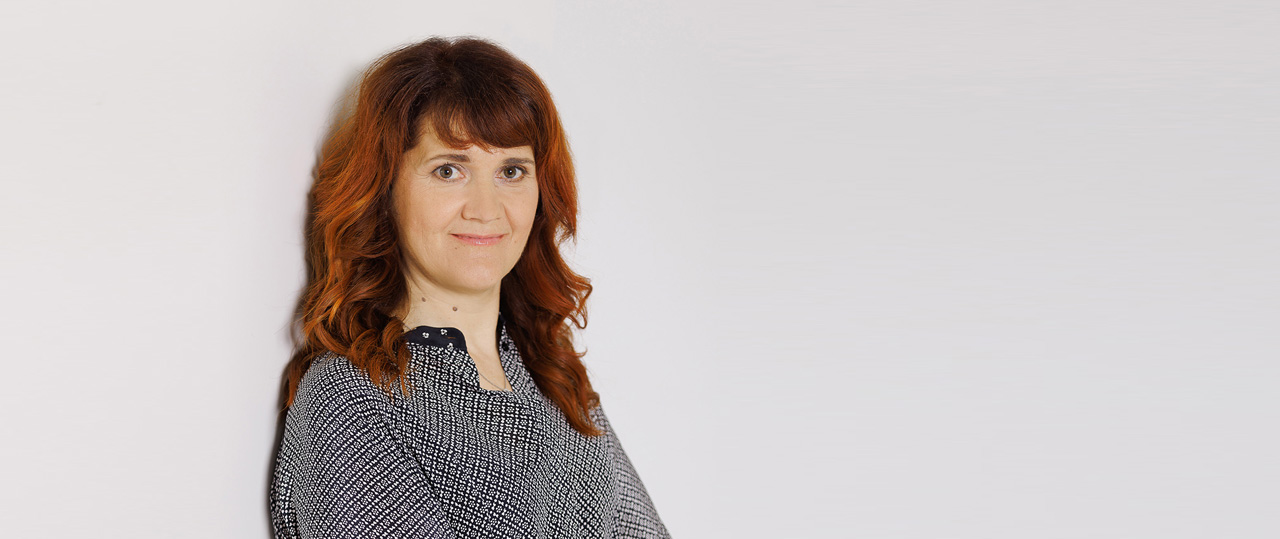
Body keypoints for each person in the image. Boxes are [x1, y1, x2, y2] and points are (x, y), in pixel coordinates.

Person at [268, 36, 670, 538]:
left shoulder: (552, 372)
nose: (486, 209)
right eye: (449, 170)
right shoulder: (350, 398)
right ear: (384, 190)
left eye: (511, 171)